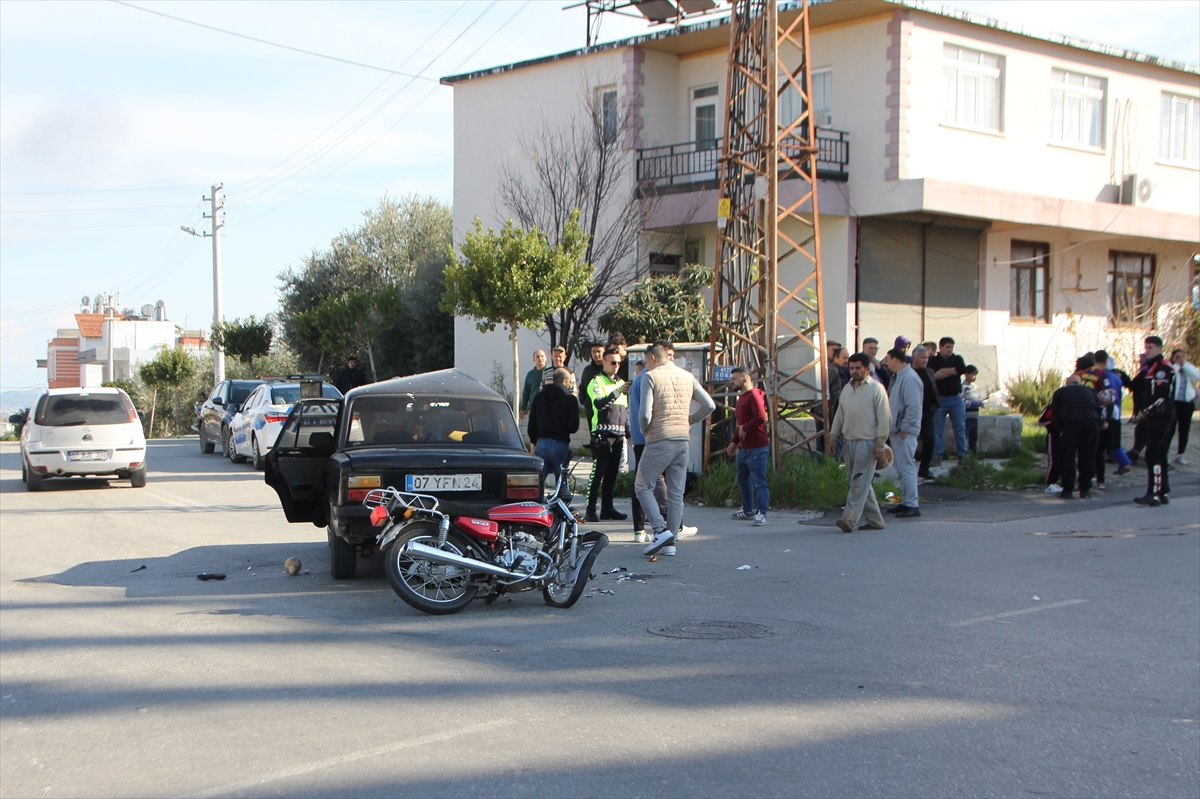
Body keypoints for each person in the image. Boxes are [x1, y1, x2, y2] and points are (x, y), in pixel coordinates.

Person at [637, 341, 716, 557]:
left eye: (646, 360)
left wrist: (645, 430)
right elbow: (709, 405)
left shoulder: (650, 376)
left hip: (659, 438)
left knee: (643, 486)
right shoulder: (687, 376)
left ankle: (660, 530)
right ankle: (671, 543)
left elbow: (644, 414)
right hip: (682, 440)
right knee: (676, 494)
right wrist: (689, 419)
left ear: (653, 357)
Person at [827, 352, 891, 532]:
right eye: (851, 368)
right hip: (849, 442)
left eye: (858, 368)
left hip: (868, 442)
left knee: (858, 482)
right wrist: (833, 438)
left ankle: (849, 519)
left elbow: (884, 418)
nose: (854, 371)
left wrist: (880, 442)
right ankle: (875, 521)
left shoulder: (876, 389)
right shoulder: (847, 388)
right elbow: (839, 415)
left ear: (867, 369)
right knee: (859, 483)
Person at [584, 346, 629, 522]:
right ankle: (590, 509)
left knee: (612, 474)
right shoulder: (596, 382)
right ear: (604, 362)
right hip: (602, 434)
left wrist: (629, 432)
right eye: (612, 362)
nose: (616, 365)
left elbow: (625, 410)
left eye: (619, 362)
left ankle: (607, 508)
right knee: (598, 473)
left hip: (618, 434)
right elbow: (599, 404)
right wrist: (617, 391)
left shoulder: (620, 382)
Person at [1131, 336, 1177, 506]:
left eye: (1150, 347)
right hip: (1157, 415)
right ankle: (1163, 490)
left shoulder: (1161, 368)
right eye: (1146, 347)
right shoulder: (1151, 368)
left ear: (1159, 348)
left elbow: (1161, 393)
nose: (1147, 350)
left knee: (1153, 454)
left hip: (1161, 415)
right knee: (1160, 453)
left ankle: (1154, 492)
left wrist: (1146, 410)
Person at [724, 366, 769, 526]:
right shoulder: (741, 398)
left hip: (757, 447)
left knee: (759, 481)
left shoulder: (754, 396)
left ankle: (762, 513)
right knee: (742, 479)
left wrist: (745, 428)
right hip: (744, 447)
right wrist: (734, 441)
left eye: (734, 379)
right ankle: (748, 509)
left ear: (745, 379)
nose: (732, 382)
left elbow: (760, 417)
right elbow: (740, 425)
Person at [1049, 374, 1102, 499]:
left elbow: (1055, 412)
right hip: (1091, 420)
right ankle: (1085, 489)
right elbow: (1099, 408)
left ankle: (1068, 488)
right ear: (1080, 382)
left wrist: (1060, 429)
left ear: (1067, 383)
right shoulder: (1090, 391)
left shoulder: (1060, 392)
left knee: (1068, 455)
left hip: (1071, 421)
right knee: (1087, 455)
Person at [527, 368, 579, 493]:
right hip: (560, 444)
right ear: (564, 381)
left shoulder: (538, 397)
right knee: (561, 484)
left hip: (541, 443)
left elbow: (532, 424)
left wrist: (535, 440)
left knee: (536, 484)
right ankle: (559, 510)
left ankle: (532, 507)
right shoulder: (570, 399)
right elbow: (574, 426)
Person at [886, 347, 923, 517]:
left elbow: (913, 407)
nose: (886, 363)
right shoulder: (899, 377)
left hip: (904, 431)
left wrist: (905, 429)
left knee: (907, 466)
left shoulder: (909, 378)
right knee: (901, 467)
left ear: (895, 360)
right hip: (897, 429)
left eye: (888, 359)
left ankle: (912, 504)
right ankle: (905, 501)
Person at [1094, 349, 1133, 477]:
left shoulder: (1104, 376)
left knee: (1110, 440)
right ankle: (1121, 461)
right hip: (1116, 409)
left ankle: (1124, 462)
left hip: (1109, 411)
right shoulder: (1115, 376)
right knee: (1112, 439)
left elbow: (1105, 396)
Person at [929, 337, 969, 462]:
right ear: (940, 347)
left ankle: (963, 455)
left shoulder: (957, 359)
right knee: (938, 429)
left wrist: (943, 371)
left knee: (960, 427)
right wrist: (953, 371)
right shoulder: (933, 360)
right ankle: (937, 455)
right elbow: (934, 375)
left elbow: (961, 369)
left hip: (956, 398)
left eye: (951, 347)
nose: (950, 349)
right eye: (947, 347)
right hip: (940, 398)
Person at [910, 346, 940, 481]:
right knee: (910, 442)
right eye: (922, 357)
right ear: (914, 357)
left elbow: (933, 389)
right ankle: (907, 469)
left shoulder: (929, 372)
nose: (925, 360)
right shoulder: (908, 372)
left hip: (927, 412)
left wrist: (934, 406)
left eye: (927, 357)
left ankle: (924, 469)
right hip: (911, 413)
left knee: (930, 439)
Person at [1169, 348, 1198, 465]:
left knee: (1184, 429)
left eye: (1182, 356)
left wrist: (1184, 365)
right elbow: (1172, 376)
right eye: (1177, 356)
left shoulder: (1188, 367)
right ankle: (1165, 452)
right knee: (1170, 428)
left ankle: (1180, 454)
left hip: (1187, 402)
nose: (1180, 358)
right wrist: (1176, 364)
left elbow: (1196, 377)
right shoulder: (1170, 367)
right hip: (1175, 401)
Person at [578, 341, 607, 424]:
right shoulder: (587, 370)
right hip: (590, 411)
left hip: (606, 412)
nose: (596, 354)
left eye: (599, 351)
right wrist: (584, 401)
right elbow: (582, 387)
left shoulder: (608, 369)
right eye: (594, 351)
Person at [520, 349, 547, 420]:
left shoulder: (551, 372)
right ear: (533, 359)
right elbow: (526, 392)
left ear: (546, 358)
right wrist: (523, 408)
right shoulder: (530, 375)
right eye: (537, 357)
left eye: (542, 356)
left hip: (548, 408)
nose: (540, 358)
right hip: (533, 408)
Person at [961, 365, 983, 454]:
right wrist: (973, 404)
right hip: (967, 416)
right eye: (972, 375)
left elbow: (978, 398)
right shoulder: (963, 387)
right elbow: (962, 401)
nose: (974, 377)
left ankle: (974, 452)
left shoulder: (975, 387)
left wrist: (980, 403)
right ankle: (964, 453)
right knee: (965, 435)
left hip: (975, 416)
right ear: (966, 374)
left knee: (974, 436)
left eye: (975, 375)